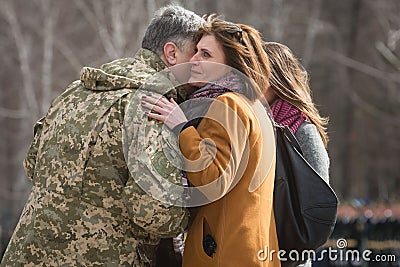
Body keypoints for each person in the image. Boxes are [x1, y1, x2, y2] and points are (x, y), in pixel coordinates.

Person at [0, 5, 203, 266]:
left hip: (26, 254)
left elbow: (33, 164)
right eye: (195, 53)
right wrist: (195, 213)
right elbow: (154, 212)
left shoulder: (79, 89)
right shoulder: (155, 106)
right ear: (171, 53)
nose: (201, 65)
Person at [141, 16, 280, 267]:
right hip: (248, 248)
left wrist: (181, 126)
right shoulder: (254, 106)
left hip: (223, 253)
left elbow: (213, 177)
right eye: (195, 52)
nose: (193, 60)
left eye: (205, 55)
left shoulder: (227, 105)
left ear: (232, 64)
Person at [263, 42, 330, 267]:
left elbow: (317, 206)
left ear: (278, 80)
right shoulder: (257, 124)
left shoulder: (305, 132)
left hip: (290, 256)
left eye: (259, 75)